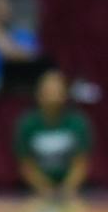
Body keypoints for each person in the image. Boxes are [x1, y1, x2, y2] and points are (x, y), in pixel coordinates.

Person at [13, 68, 91, 200]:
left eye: (57, 90)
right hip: (36, 191)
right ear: (38, 94)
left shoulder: (78, 123)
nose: (53, 95)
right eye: (48, 91)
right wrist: (44, 189)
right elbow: (26, 164)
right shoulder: (27, 124)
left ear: (65, 93)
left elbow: (80, 163)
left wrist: (67, 189)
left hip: (72, 190)